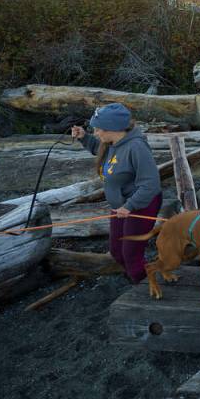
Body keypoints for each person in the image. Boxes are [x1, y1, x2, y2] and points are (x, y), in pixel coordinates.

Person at [71, 103, 161, 283]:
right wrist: (84, 137)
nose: (96, 133)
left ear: (113, 128)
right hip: (121, 205)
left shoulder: (137, 147)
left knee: (131, 255)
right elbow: (103, 151)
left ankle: (144, 287)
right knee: (117, 251)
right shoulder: (112, 143)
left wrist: (130, 206)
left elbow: (151, 184)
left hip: (141, 205)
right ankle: (139, 278)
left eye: (98, 129)